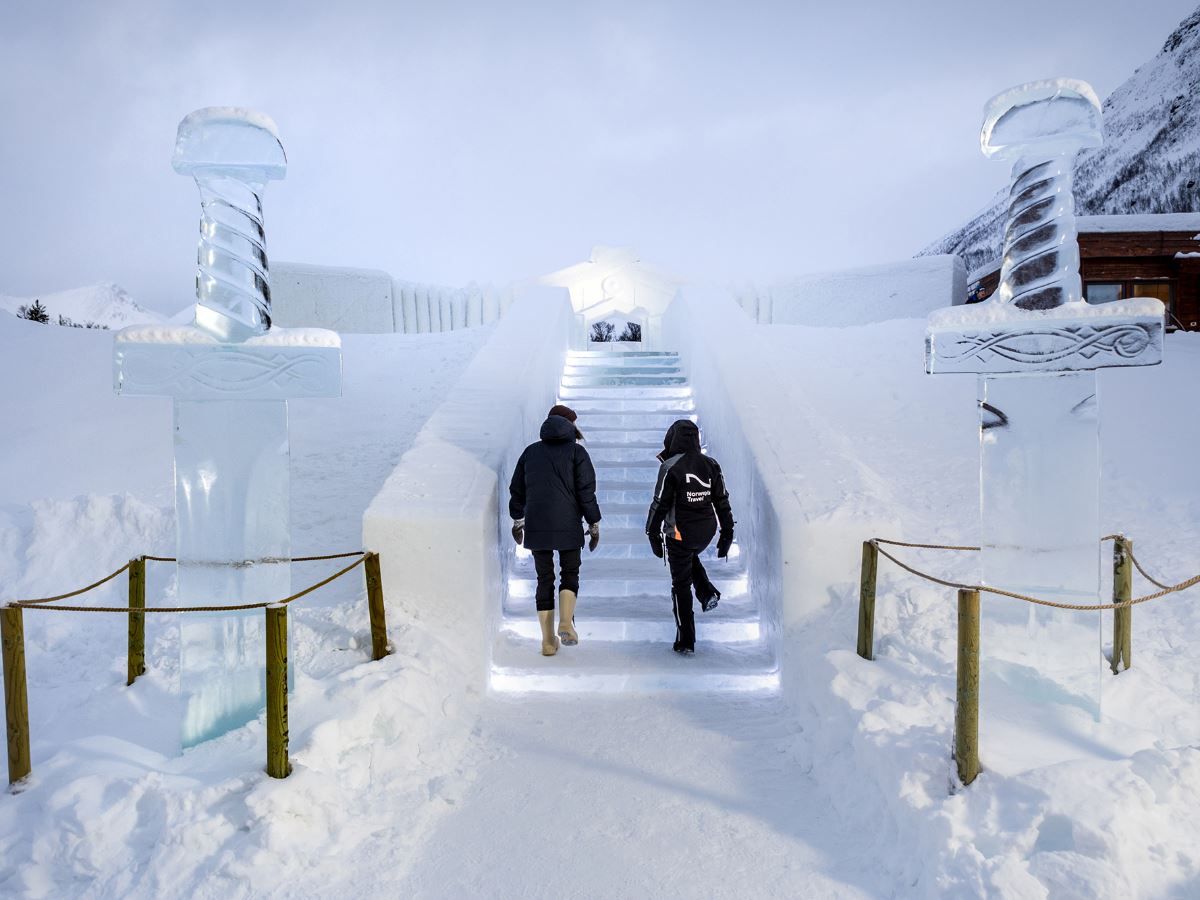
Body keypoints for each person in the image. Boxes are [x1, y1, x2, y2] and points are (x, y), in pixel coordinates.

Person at [509, 404, 602, 656]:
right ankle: (565, 622)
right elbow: (586, 492)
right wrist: (593, 524)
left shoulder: (530, 452)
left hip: (537, 525)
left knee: (544, 579)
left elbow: (517, 490)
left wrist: (517, 520)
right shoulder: (577, 452)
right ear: (571, 425)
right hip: (569, 524)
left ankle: (548, 641)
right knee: (569, 572)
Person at [645, 420, 735, 655]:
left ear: (672, 439)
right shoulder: (711, 464)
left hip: (680, 532)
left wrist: (652, 533)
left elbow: (659, 504)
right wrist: (727, 534)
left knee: (681, 585)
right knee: (687, 557)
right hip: (706, 530)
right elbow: (722, 501)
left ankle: (686, 640)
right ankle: (706, 592)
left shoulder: (671, 467)